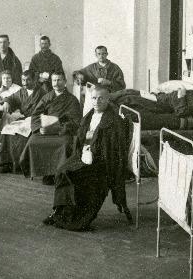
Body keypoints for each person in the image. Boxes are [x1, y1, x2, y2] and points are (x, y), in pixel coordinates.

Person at [43, 85, 130, 231]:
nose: (97, 101)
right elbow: (81, 138)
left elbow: (115, 151)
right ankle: (60, 212)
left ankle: (79, 219)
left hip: (102, 162)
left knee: (73, 174)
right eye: (94, 98)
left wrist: (93, 153)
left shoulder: (115, 121)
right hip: (84, 155)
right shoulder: (89, 116)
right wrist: (84, 151)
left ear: (108, 100)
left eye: (101, 98)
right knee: (61, 171)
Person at [23, 72, 83, 184]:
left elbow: (75, 121)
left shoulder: (72, 100)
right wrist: (39, 128)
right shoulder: (47, 97)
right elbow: (36, 115)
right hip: (45, 130)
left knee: (64, 145)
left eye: (59, 80)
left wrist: (60, 128)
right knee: (32, 142)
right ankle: (45, 172)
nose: (56, 83)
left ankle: (59, 174)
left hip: (62, 131)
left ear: (65, 82)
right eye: (54, 80)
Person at [0, 70, 46, 173]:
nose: (25, 83)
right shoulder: (22, 91)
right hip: (25, 119)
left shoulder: (42, 93)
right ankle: (6, 163)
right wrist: (6, 102)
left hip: (37, 120)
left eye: (28, 80)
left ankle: (21, 166)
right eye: (23, 80)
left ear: (34, 80)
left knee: (22, 136)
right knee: (7, 130)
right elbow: (11, 98)